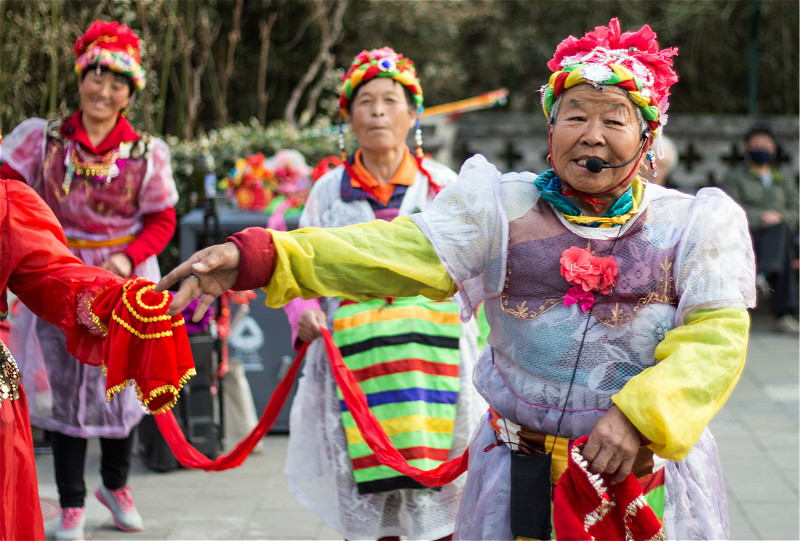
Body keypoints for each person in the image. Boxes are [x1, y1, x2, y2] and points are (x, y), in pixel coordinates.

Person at [159, 19, 755, 540]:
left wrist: (639, 416)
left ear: (647, 137)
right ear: (551, 130)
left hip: (639, 477)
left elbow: (716, 335)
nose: (591, 134)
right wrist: (263, 257)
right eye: (574, 114)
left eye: (614, 119)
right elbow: (396, 247)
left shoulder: (693, 224)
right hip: (520, 470)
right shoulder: (501, 209)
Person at [279, 47, 482, 541]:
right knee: (368, 505)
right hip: (355, 367)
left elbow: (474, 268)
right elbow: (296, 263)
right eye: (365, 101)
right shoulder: (328, 191)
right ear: (349, 117)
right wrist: (304, 312)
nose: (377, 111)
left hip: (433, 367)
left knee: (440, 503)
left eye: (390, 100)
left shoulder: (443, 186)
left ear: (413, 114)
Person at [0, 20, 178, 540]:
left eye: (117, 82)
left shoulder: (146, 153)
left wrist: (127, 259)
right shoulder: (43, 140)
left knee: (121, 389)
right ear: (80, 79)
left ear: (130, 93)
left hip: (119, 273)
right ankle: (72, 502)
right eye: (95, 77)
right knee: (64, 393)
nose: (103, 90)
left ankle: (116, 485)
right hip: (49, 269)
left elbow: (163, 220)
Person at [0, 177, 191, 541]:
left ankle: (113, 485)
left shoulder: (5, 202)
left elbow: (48, 271)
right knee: (65, 405)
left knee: (117, 402)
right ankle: (73, 502)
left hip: (102, 274)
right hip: (75, 276)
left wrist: (114, 298)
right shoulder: (49, 146)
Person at [720, 123, 799, 333]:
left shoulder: (782, 178)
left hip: (780, 232)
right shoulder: (734, 177)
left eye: (765, 145)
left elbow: (796, 208)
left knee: (781, 230)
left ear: (773, 149)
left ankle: (762, 275)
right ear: (746, 149)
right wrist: (760, 217)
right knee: (783, 244)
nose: (760, 149)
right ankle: (783, 314)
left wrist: (780, 217)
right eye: (755, 145)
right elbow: (728, 207)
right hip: (748, 234)